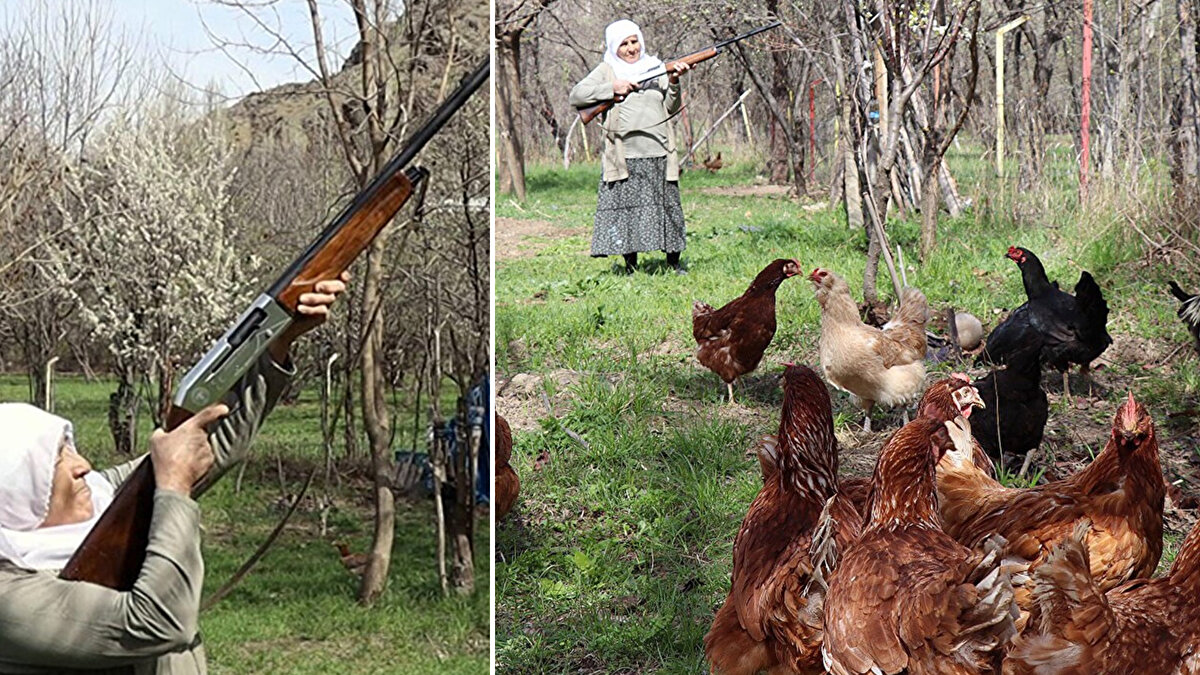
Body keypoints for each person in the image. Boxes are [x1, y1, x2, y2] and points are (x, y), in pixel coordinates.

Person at [0, 275, 349, 675]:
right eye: (53, 462)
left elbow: (209, 446)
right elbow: (158, 623)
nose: (83, 466)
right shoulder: (8, 597)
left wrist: (277, 341)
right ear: (12, 493)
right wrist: (173, 490)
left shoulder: (101, 497)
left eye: (69, 448)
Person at [569, 20, 691, 275]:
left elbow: (671, 107)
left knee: (668, 210)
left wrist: (674, 81)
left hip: (659, 152)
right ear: (614, 47)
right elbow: (577, 95)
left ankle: (673, 263)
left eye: (634, 41)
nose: (631, 48)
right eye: (624, 44)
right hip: (625, 156)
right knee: (628, 213)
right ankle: (631, 266)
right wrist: (612, 88)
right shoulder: (607, 70)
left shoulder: (656, 67)